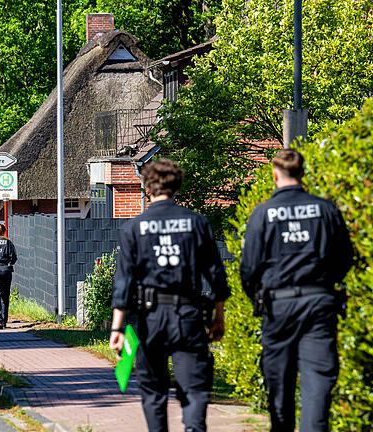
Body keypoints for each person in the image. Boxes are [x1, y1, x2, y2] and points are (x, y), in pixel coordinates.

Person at [109, 158, 229, 432]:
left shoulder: (133, 228)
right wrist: (217, 317)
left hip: (149, 320)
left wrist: (118, 327)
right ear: (177, 186)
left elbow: (124, 281)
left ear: (147, 188)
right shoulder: (196, 222)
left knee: (153, 390)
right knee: (195, 387)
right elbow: (216, 276)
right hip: (187, 316)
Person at [240, 149, 353, 432]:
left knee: (279, 384)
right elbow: (345, 258)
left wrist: (259, 296)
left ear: (275, 175)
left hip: (278, 308)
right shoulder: (326, 209)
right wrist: (325, 283)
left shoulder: (262, 214)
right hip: (318, 303)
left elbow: (249, 267)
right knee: (318, 384)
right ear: (303, 174)